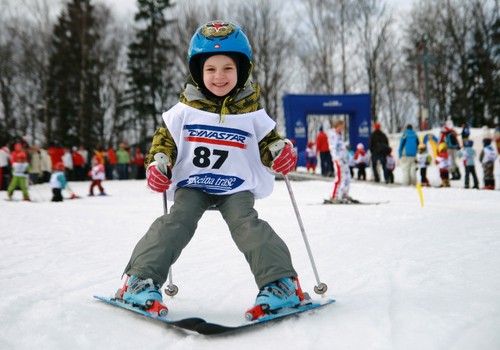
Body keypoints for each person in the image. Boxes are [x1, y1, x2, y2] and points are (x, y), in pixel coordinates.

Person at [116, 20, 303, 320]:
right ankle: (140, 279)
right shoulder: (184, 110)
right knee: (177, 220)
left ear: (241, 71)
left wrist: (280, 154)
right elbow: (164, 142)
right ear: (198, 73)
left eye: (228, 68)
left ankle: (280, 283)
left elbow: (270, 143)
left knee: (247, 224)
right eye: (211, 69)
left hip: (235, 186)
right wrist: (159, 163)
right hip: (195, 183)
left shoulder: (252, 112)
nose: (219, 76)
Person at [328, 120, 352, 202]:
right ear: (336, 126)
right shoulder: (333, 135)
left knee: (347, 177)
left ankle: (344, 193)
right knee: (339, 178)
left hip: (344, 159)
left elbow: (341, 147)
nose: (342, 128)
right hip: (338, 159)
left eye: (343, 127)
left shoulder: (340, 136)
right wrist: (336, 158)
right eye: (340, 127)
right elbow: (333, 148)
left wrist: (346, 150)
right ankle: (334, 195)